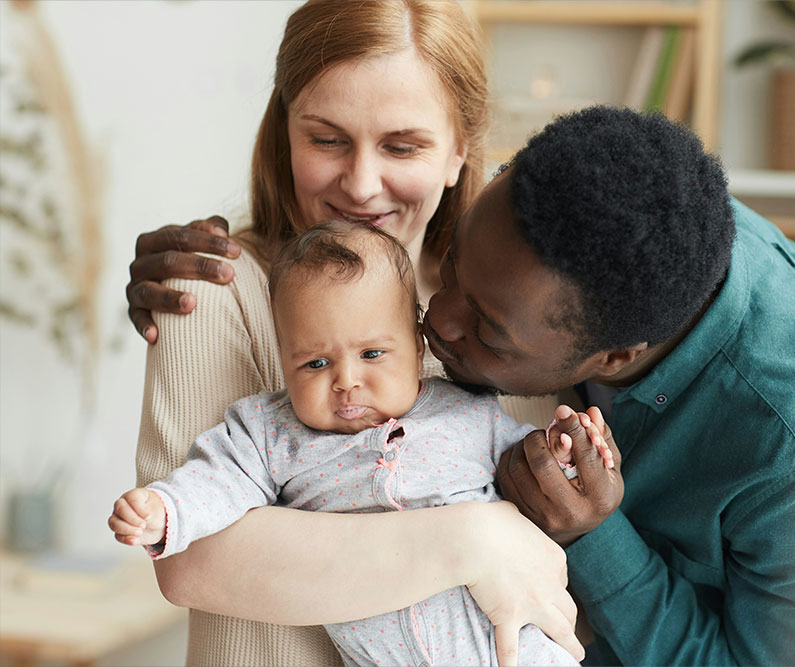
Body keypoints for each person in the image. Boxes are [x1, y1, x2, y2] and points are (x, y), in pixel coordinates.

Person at [132, 106, 795, 665]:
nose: (438, 318)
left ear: (616, 356)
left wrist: (597, 537)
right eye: (453, 265)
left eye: (486, 329)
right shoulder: (612, 210)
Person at [125, 2, 583, 666]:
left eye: (402, 145)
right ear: (286, 130)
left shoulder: (518, 309)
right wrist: (475, 539)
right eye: (328, 139)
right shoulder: (211, 289)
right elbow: (194, 560)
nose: (362, 183)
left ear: (460, 148)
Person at [113, 222, 614, 667]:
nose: (346, 380)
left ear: (417, 347)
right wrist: (167, 508)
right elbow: (216, 480)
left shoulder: (467, 411)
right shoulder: (269, 431)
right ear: (283, 358)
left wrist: (565, 454)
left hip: (509, 647)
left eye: (372, 353)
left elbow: (528, 468)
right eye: (314, 363)